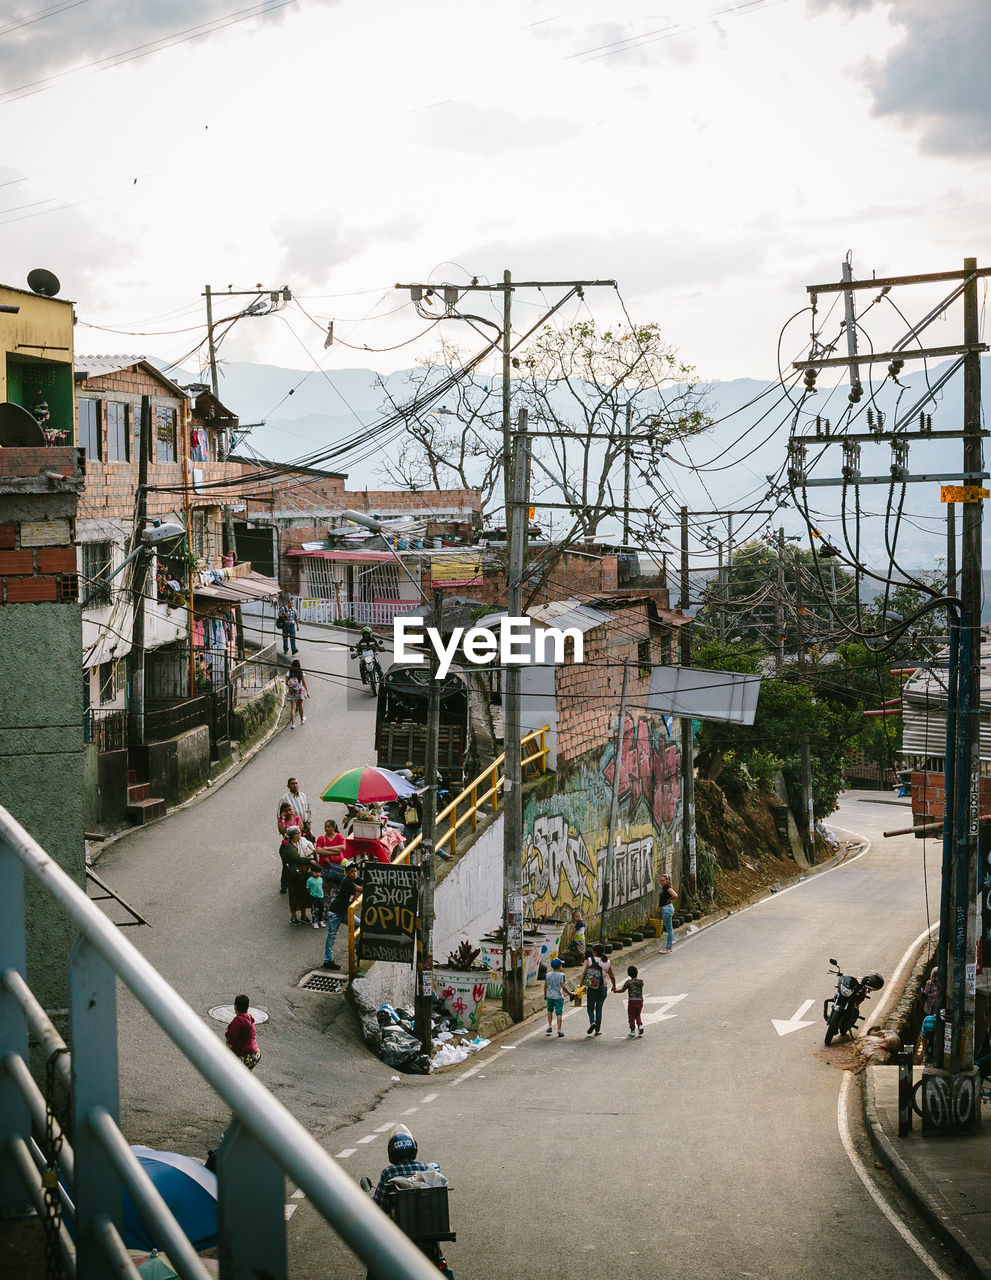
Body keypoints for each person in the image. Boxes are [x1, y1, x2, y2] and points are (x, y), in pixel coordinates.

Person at [322, 863, 360, 969]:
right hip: (335, 913)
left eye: (355, 871)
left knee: (358, 924)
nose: (354, 873)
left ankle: (358, 950)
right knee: (332, 935)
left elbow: (361, 881)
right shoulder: (347, 881)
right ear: (347, 873)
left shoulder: (353, 879)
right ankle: (327, 960)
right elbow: (359, 889)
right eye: (352, 871)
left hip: (344, 912)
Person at [580, 943, 617, 1036]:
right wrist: (614, 986)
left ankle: (592, 1022)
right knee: (599, 1009)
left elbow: (584, 974)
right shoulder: (607, 962)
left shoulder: (590, 960)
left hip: (592, 988)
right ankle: (597, 1030)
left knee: (590, 1008)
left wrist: (581, 985)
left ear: (595, 952)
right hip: (603, 989)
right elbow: (612, 976)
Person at [283, 827, 311, 925]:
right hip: (294, 876)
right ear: (294, 835)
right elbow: (297, 859)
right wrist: (309, 861)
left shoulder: (301, 843)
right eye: (299, 833)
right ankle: (293, 916)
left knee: (303, 894)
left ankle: (303, 915)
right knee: (294, 895)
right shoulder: (289, 848)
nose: (300, 834)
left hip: (303, 874)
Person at [225, 994, 261, 1070]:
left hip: (246, 1055)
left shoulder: (238, 1021)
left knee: (231, 1073)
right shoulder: (249, 1017)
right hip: (255, 1054)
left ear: (235, 1007)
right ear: (248, 1007)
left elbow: (230, 1042)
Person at [544, 957, 573, 1037]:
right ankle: (559, 1030)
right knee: (559, 1013)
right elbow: (563, 986)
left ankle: (549, 1026)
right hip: (558, 997)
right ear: (560, 966)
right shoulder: (561, 975)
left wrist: (545, 995)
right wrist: (569, 993)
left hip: (549, 996)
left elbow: (545, 986)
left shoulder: (548, 974)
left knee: (549, 1011)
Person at [617, 964, 645, 1037]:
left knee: (631, 1016)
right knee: (638, 1015)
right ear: (637, 972)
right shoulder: (641, 982)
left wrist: (616, 991)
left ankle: (632, 1031)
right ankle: (640, 1026)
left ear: (629, 974)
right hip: (640, 1000)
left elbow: (622, 990)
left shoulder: (628, 982)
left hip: (632, 1001)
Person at [285, 659, 309, 729]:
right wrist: (307, 691)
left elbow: (287, 683)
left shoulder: (289, 672)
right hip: (300, 691)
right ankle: (302, 720)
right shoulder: (301, 672)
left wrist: (291, 687)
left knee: (293, 708)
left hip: (292, 691)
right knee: (300, 705)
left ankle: (293, 724)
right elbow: (304, 682)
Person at [658, 874, 678, 953]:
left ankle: (668, 947)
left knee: (669, 929)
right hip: (666, 909)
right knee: (669, 928)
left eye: (663, 881)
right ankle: (669, 945)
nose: (661, 882)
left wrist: (669, 900)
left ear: (667, 881)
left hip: (667, 909)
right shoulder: (664, 888)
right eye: (660, 881)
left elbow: (675, 895)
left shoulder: (668, 888)